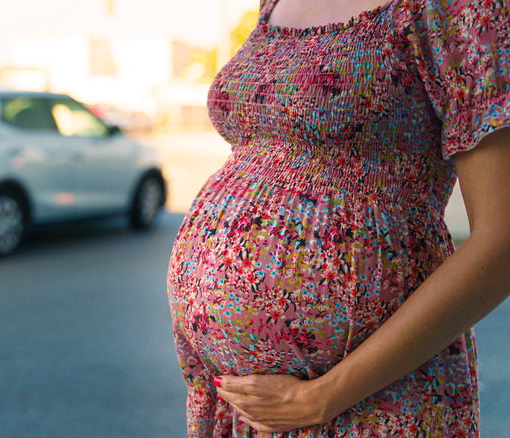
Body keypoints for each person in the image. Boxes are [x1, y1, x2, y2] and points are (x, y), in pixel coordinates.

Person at [166, 0, 510, 435]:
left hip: (366, 399)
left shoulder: (458, 8)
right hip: (243, 408)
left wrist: (321, 397)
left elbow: (502, 242)